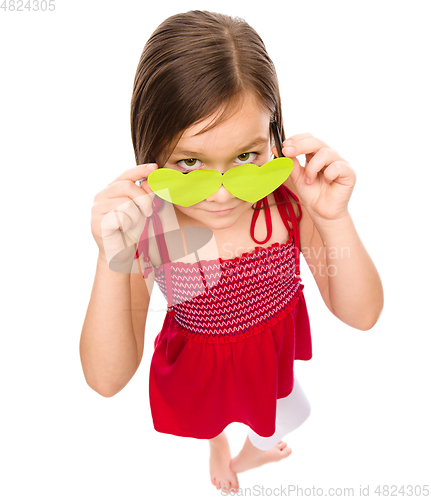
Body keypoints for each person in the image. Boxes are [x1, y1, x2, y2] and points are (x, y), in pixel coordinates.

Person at [80, 10, 384, 495]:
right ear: (149, 151)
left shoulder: (287, 204)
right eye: (190, 164)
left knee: (289, 414)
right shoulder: (156, 230)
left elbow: (363, 314)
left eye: (246, 157)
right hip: (201, 366)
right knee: (211, 420)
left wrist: (333, 218)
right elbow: (106, 379)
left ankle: (252, 448)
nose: (221, 195)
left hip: (267, 352)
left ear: (275, 136)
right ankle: (218, 444)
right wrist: (110, 259)